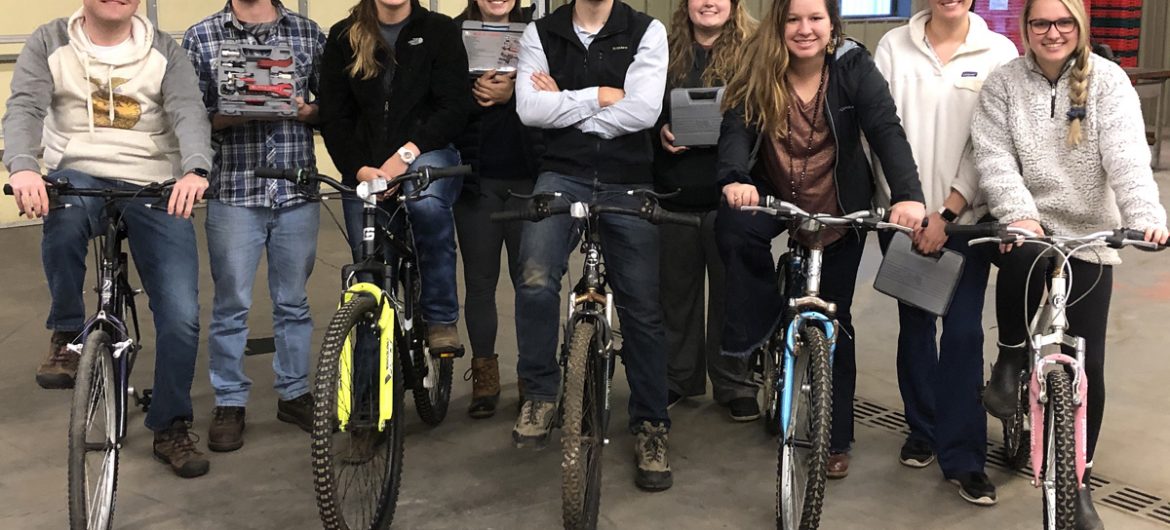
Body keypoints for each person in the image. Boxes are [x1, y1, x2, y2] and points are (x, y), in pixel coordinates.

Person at [971, 0, 1168, 524]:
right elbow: (994, 157)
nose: (1052, 32)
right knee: (1023, 251)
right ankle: (1010, 358)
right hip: (1028, 223)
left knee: (1090, 364)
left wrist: (1145, 216)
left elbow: (1127, 156)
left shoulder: (1108, 82)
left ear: (1079, 26)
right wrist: (1018, 213)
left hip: (1090, 233)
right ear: (1025, 27)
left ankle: (1078, 481)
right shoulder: (1004, 83)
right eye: (1041, 22)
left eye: (1063, 22)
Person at [715, 0, 925, 480]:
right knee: (732, 228)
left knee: (836, 319)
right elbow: (735, 127)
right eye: (793, 18)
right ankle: (762, 321)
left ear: (833, 25)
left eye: (815, 18)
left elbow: (885, 129)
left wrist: (908, 196)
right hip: (773, 193)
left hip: (838, 206)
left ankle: (836, 437)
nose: (804, 29)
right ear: (779, 24)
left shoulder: (853, 68)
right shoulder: (758, 65)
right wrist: (734, 177)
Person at [3, 0, 212, 477]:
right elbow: (25, 107)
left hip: (153, 183)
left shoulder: (165, 51)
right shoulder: (49, 41)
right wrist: (24, 166)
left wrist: (195, 169)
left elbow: (188, 112)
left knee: (181, 316)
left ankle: (170, 424)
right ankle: (66, 334)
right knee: (62, 211)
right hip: (80, 176)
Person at [513, 0, 674, 491]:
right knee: (534, 278)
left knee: (642, 306)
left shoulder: (647, 31)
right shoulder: (540, 33)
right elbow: (529, 109)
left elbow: (644, 111)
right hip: (561, 174)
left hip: (629, 178)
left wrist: (567, 109)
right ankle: (540, 393)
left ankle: (651, 424)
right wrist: (601, 96)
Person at [871, 0, 1017, 505]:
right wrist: (905, 204)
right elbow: (878, 130)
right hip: (902, 217)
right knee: (914, 327)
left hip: (966, 223)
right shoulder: (893, 48)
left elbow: (990, 141)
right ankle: (923, 428)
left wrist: (949, 210)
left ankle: (964, 456)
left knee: (962, 333)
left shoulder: (997, 51)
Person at [182, 0, 326, 453]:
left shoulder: (307, 33)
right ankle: (229, 400)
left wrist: (303, 110)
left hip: (295, 190)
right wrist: (236, 111)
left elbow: (334, 107)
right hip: (234, 192)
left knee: (294, 302)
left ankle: (294, 392)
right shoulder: (201, 36)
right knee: (232, 305)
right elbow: (189, 118)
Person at [317, 0, 469, 355]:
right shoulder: (343, 37)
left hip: (426, 152)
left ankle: (440, 317)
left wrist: (404, 157)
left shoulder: (439, 30)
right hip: (366, 167)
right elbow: (334, 117)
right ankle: (370, 385)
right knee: (370, 279)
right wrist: (360, 169)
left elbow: (453, 107)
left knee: (426, 205)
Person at [655, 0, 758, 421]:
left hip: (729, 199)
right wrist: (660, 131)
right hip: (674, 192)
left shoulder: (754, 52)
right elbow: (643, 107)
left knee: (733, 296)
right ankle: (677, 377)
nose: (709, 3)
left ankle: (735, 383)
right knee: (675, 296)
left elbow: (765, 117)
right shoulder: (663, 50)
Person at [453, 0, 540, 419]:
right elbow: (439, 103)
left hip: (529, 180)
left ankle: (532, 377)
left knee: (532, 284)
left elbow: (556, 93)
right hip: (477, 181)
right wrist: (478, 97)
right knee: (480, 282)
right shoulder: (452, 35)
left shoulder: (540, 35)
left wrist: (513, 92)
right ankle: (485, 377)